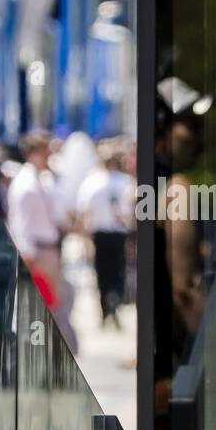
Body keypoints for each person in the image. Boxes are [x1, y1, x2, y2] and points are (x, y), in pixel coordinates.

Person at [7, 130, 77, 353]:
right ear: (31, 153)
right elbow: (21, 223)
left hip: (47, 250)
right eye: (43, 149)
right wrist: (28, 256)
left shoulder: (42, 179)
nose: (48, 153)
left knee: (53, 302)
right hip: (37, 251)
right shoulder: (25, 183)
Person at [77, 139, 136, 327]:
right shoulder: (126, 182)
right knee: (119, 270)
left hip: (101, 234)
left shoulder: (91, 182)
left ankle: (106, 306)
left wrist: (85, 241)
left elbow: (84, 215)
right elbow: (133, 212)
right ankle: (114, 302)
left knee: (102, 272)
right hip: (118, 233)